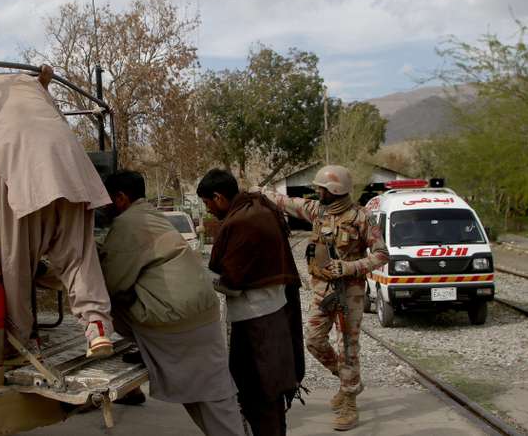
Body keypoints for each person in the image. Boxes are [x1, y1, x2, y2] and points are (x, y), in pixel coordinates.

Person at [0, 65, 114, 358]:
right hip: (70, 164)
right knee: (79, 255)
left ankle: (21, 341)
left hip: (20, 164)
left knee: (13, 262)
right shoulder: (27, 82)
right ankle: (97, 327)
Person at [100, 170, 246, 436]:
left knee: (101, 300)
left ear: (120, 198)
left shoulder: (127, 224)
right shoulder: (153, 216)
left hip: (174, 324)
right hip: (204, 314)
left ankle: (145, 348)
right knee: (212, 395)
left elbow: (113, 282)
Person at [262, 164, 389, 431]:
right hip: (323, 289)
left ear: (335, 190)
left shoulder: (362, 218)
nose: (317, 191)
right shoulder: (317, 211)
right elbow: (286, 202)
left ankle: (349, 402)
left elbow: (382, 254)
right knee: (313, 340)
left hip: (350, 293)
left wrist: (352, 267)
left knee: (348, 347)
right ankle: (347, 379)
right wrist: (258, 192)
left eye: (321, 188)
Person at [197, 169, 305, 436]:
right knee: (269, 392)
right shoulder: (258, 210)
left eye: (207, 203)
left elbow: (232, 284)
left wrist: (198, 276)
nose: (208, 210)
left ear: (219, 197)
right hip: (273, 314)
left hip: (257, 322)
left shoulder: (243, 222)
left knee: (260, 392)